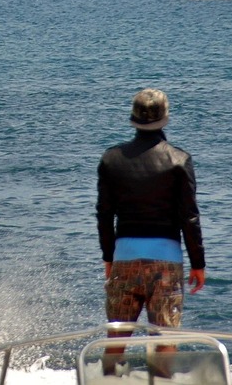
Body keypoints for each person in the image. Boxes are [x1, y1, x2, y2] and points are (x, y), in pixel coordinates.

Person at [96, 88, 206, 376]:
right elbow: (189, 217)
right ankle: (161, 382)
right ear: (165, 119)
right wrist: (198, 263)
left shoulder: (111, 159)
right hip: (166, 262)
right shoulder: (179, 160)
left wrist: (109, 256)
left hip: (124, 259)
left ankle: (107, 381)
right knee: (165, 338)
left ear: (133, 119)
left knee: (117, 338)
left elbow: (105, 215)